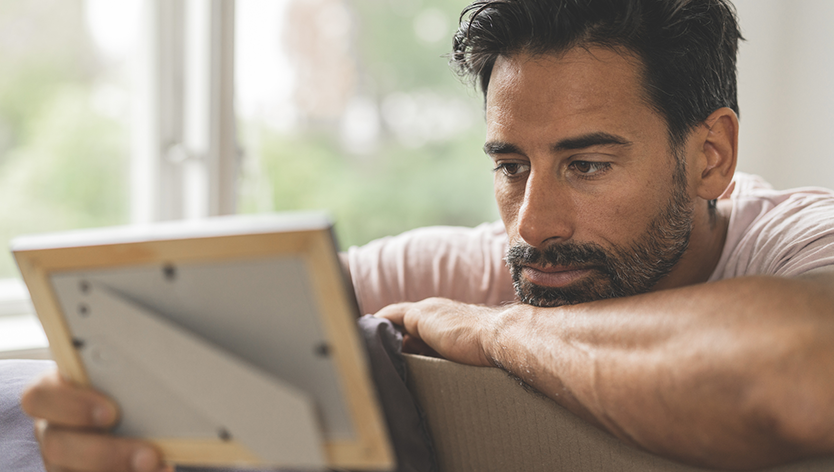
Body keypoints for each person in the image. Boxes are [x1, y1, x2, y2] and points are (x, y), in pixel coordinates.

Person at [21, 0, 834, 471]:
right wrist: (100, 407)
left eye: (586, 166)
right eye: (512, 164)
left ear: (711, 155)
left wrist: (494, 330)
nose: (533, 224)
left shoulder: (800, 243)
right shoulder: (468, 262)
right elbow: (210, 316)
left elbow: (798, 377)